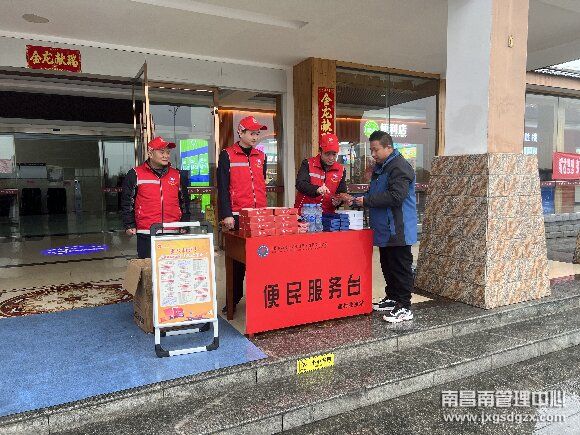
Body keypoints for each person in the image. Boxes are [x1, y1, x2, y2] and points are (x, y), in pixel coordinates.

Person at [354, 130, 417, 323]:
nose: (373, 154)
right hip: (384, 229)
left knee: (400, 267)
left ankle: (404, 306)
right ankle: (392, 298)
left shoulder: (400, 167)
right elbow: (376, 192)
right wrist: (359, 199)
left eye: (376, 150)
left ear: (388, 147)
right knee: (388, 265)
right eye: (371, 150)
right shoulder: (381, 167)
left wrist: (367, 201)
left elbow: (396, 196)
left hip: (398, 228)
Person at [217, 116, 268, 312]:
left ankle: (258, 298)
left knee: (260, 257)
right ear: (241, 132)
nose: (255, 137)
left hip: (259, 216)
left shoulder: (261, 156)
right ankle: (234, 299)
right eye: (251, 133)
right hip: (237, 215)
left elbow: (261, 184)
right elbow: (223, 187)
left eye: (257, 133)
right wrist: (226, 214)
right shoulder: (227, 155)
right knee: (237, 260)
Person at [121, 136, 190, 259]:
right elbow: (127, 202)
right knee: (148, 267)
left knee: (171, 267)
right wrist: (129, 224)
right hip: (147, 231)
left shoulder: (177, 175)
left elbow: (184, 202)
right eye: (162, 152)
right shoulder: (135, 174)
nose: (166, 156)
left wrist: (185, 223)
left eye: (168, 152)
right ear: (150, 153)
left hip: (172, 230)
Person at [294, 133, 350, 213]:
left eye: (334, 154)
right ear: (320, 152)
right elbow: (300, 184)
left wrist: (338, 201)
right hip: (305, 213)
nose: (331, 158)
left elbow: (341, 192)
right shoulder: (308, 164)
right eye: (327, 154)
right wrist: (317, 189)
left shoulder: (341, 170)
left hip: (327, 215)